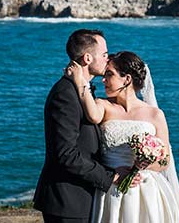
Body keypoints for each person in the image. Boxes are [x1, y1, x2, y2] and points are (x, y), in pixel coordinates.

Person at [67, 51, 179, 223]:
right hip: (112, 187)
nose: (103, 80)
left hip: (147, 190)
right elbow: (93, 116)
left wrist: (142, 165)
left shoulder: (155, 114)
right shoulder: (103, 105)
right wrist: (80, 81)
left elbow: (165, 160)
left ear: (127, 79)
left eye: (109, 75)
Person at [34, 29, 133, 223]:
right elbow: (66, 154)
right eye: (104, 55)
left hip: (83, 199)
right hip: (68, 201)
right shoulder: (66, 94)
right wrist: (109, 177)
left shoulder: (81, 90)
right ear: (87, 58)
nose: (108, 59)